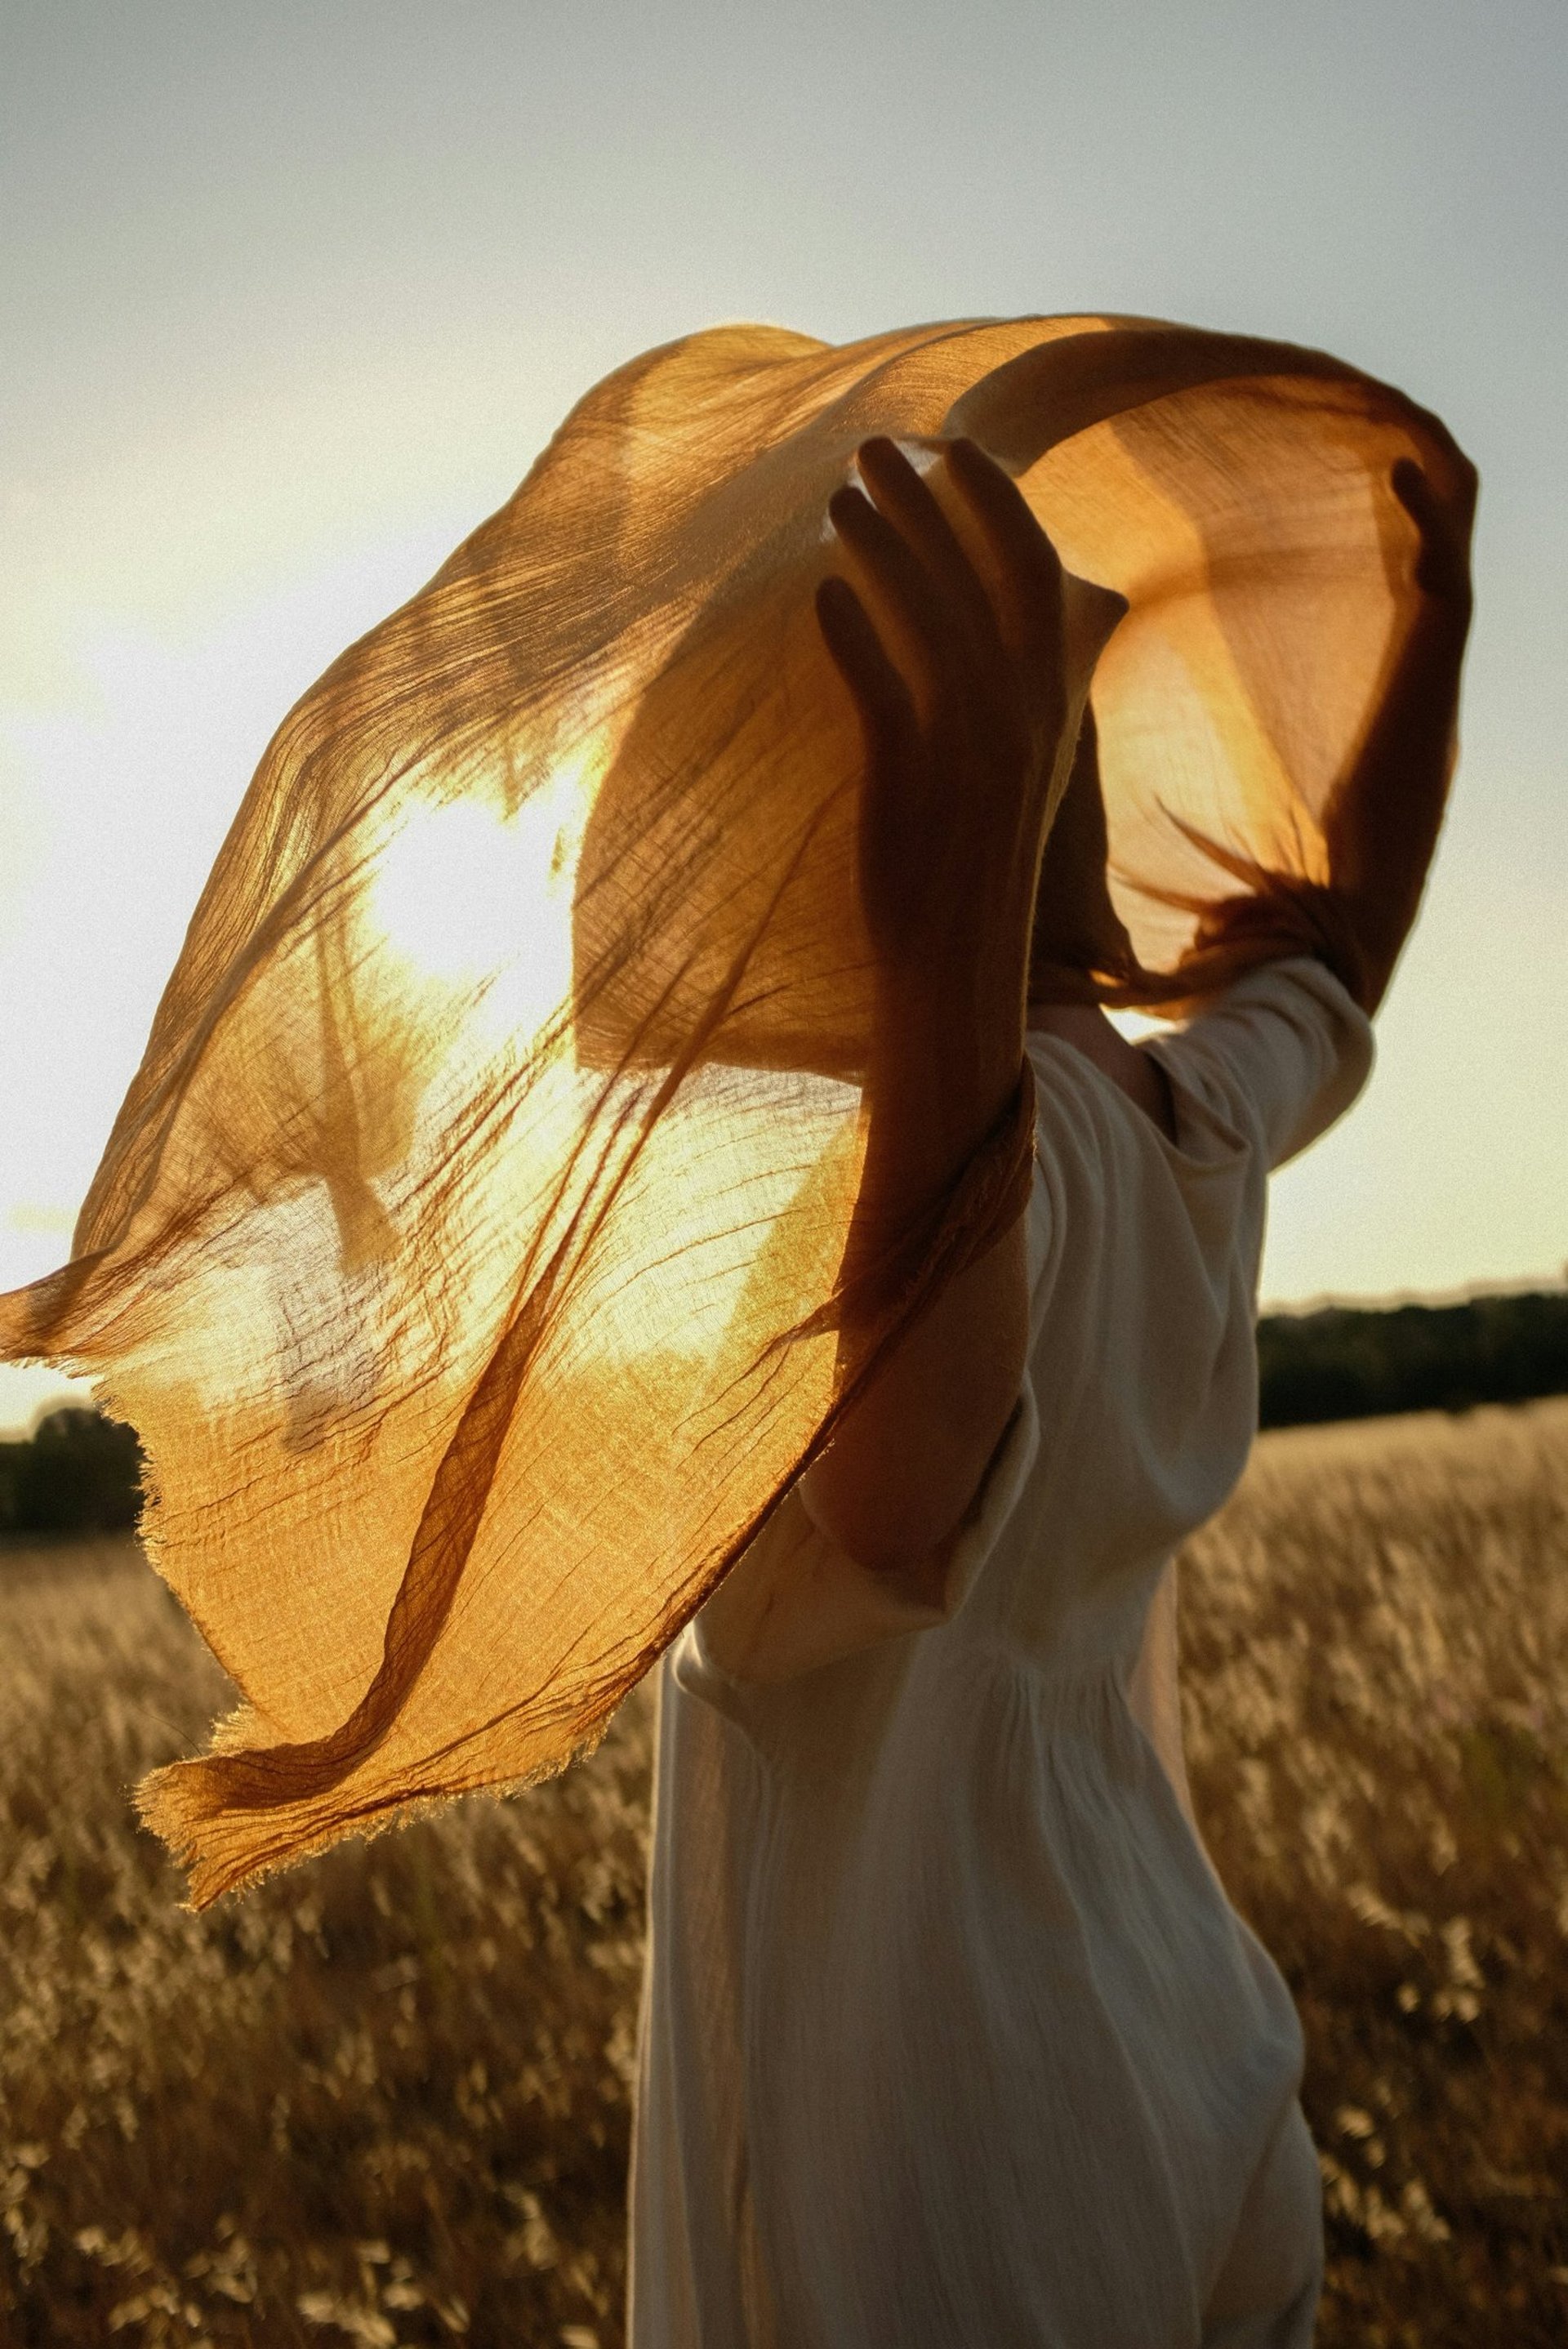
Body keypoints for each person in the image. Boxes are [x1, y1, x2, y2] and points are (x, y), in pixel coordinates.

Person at [629, 434, 1474, 2346]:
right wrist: (1440, 609)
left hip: (955, 2203)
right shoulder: (1183, 1124)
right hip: (1184, 2070)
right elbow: (1343, 949)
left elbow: (901, 1485)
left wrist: (941, 952)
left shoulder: (909, 1236)